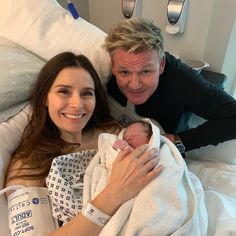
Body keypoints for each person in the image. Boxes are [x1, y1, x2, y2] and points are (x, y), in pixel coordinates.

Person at [4, 52, 163, 235]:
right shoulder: (29, 166)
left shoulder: (112, 133)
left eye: (87, 93)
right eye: (64, 91)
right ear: (44, 98)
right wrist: (115, 193)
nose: (77, 104)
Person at [103, 17, 236, 153]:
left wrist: (172, 141)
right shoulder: (101, 73)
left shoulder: (182, 80)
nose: (134, 85)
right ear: (113, 66)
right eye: (124, 72)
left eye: (146, 71)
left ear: (161, 65)